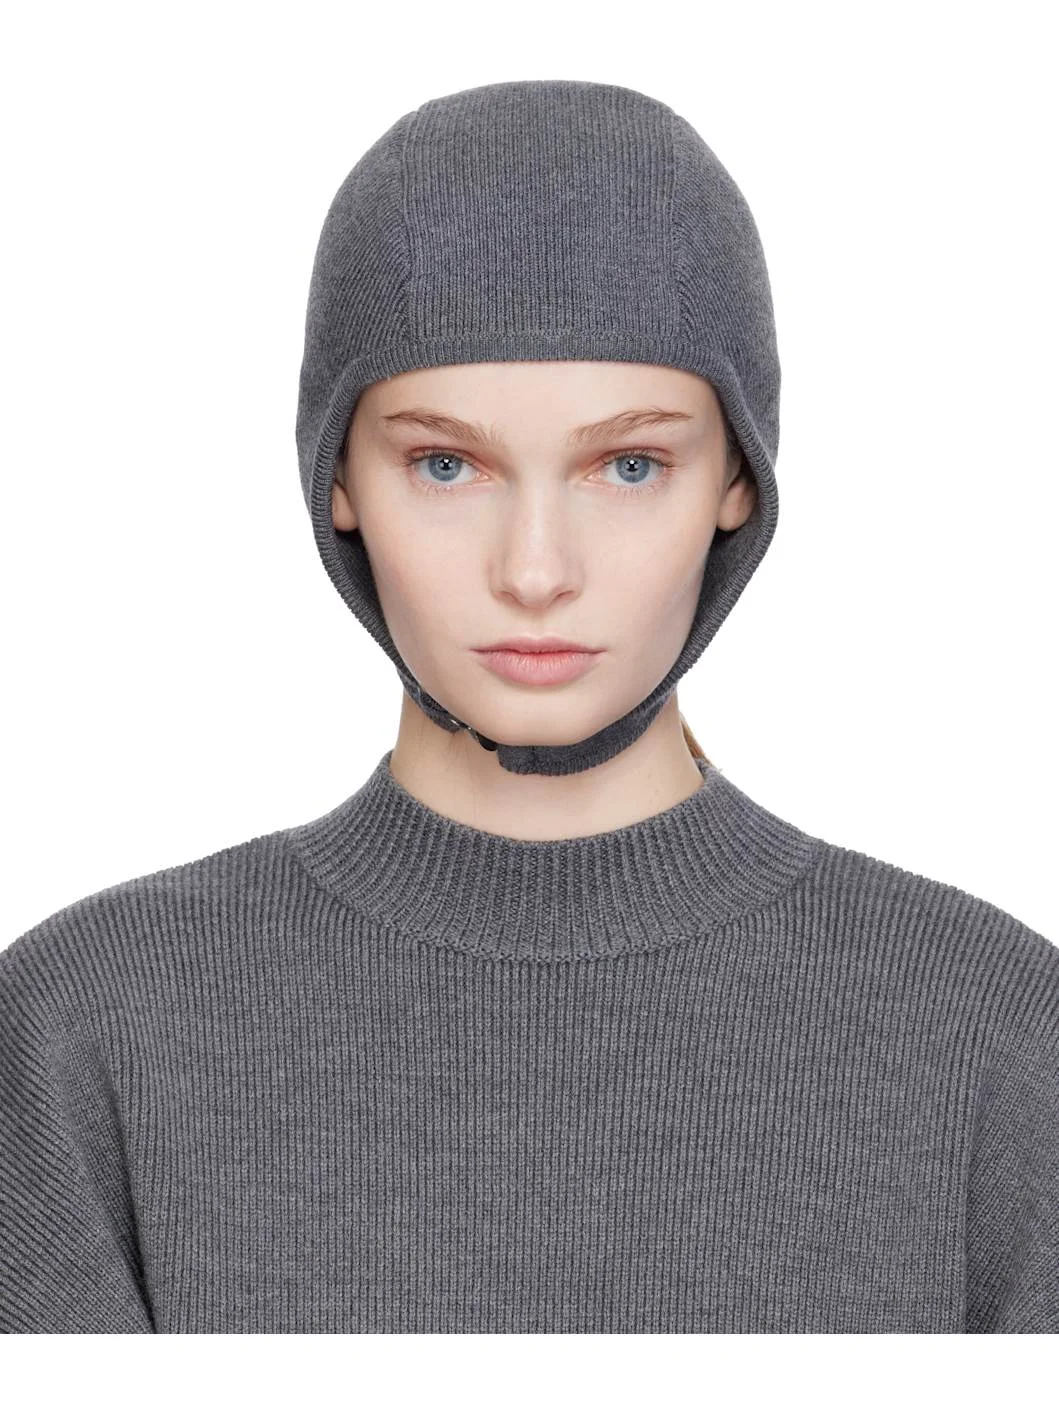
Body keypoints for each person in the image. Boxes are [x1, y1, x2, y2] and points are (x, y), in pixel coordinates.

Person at [1, 78, 1056, 1335]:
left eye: (629, 464)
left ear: (738, 475)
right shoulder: (85, 1030)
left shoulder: (996, 1037)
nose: (537, 570)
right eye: (447, 463)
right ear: (338, 475)